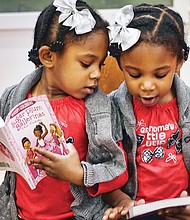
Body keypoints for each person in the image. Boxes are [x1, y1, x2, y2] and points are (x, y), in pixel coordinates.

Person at [0, 0, 128, 219]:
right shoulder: (13, 98)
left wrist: (79, 174)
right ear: (48, 57)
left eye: (101, 65)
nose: (97, 74)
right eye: (87, 64)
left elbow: (118, 171)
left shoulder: (100, 110)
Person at [101, 3, 190, 220]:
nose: (147, 85)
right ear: (121, 64)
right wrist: (120, 200)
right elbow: (104, 165)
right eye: (135, 75)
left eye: (160, 75)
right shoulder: (109, 110)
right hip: (137, 210)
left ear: (178, 61)